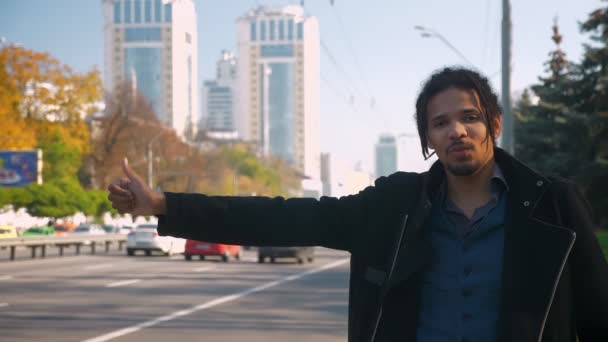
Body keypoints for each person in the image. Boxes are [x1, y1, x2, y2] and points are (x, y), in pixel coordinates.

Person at [107, 67, 608, 342]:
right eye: (440, 123)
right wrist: (163, 204)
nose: (457, 130)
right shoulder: (394, 207)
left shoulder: (554, 206)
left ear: (494, 125)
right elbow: (283, 216)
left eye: (470, 117)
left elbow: (597, 316)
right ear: (427, 140)